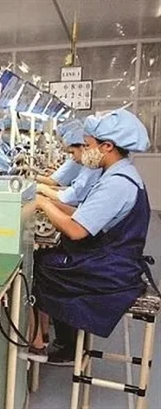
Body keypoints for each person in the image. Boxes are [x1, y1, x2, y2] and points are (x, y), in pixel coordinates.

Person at [32, 108, 153, 364]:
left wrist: (44, 205)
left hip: (111, 270)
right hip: (115, 260)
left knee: (42, 266)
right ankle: (56, 339)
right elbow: (84, 212)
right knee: (50, 257)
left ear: (107, 146)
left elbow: (76, 230)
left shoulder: (116, 183)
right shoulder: (119, 173)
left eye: (87, 146)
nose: (84, 152)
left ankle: (51, 345)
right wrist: (47, 201)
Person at [36, 120, 102, 206]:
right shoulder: (88, 168)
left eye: (72, 152)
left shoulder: (92, 169)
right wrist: (52, 189)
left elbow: (71, 197)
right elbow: (74, 191)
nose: (73, 159)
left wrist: (43, 189)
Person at [35, 120, 83, 187]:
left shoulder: (77, 162)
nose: (74, 158)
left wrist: (34, 176)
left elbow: (53, 182)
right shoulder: (81, 162)